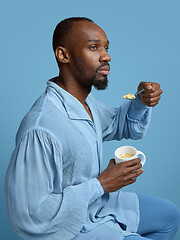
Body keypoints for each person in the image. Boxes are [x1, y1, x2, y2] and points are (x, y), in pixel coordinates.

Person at [5, 17, 180, 240]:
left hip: (97, 206)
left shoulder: (85, 104)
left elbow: (119, 124)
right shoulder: (41, 128)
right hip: (68, 225)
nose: (106, 56)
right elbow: (28, 215)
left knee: (170, 217)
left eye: (106, 47)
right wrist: (101, 185)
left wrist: (142, 102)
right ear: (63, 55)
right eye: (93, 47)